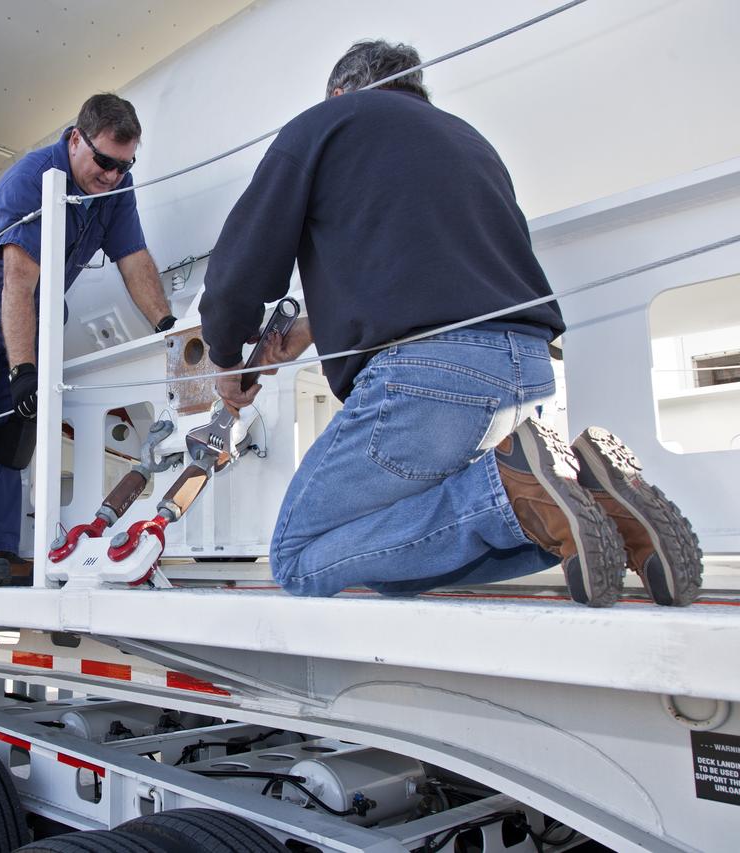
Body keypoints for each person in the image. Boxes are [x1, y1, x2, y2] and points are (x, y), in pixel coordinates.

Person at [199, 40, 701, 606]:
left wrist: (224, 357)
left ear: (340, 92)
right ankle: (602, 507)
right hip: (525, 374)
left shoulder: (327, 122)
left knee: (299, 557)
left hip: (429, 378)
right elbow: (431, 261)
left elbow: (238, 273)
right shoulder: (467, 140)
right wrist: (317, 323)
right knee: (385, 564)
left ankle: (513, 499)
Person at [0, 93, 175, 587]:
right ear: (74, 140)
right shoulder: (32, 179)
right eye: (104, 161)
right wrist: (24, 370)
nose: (112, 175)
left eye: (124, 166)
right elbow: (15, 283)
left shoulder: (114, 190)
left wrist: (168, 330)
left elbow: (135, 260)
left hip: (34, 309)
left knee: (16, 432)